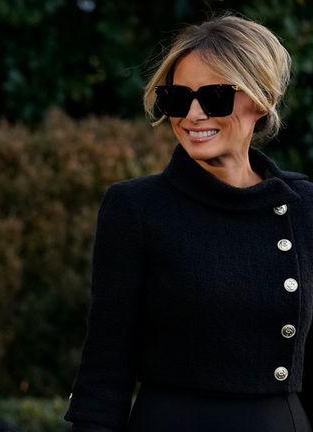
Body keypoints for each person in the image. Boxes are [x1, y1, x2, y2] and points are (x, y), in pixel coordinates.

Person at [65, 15, 313, 432]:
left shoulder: (303, 205)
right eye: (177, 99)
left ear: (262, 98)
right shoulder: (137, 208)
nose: (194, 114)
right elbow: (105, 369)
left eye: (215, 96)